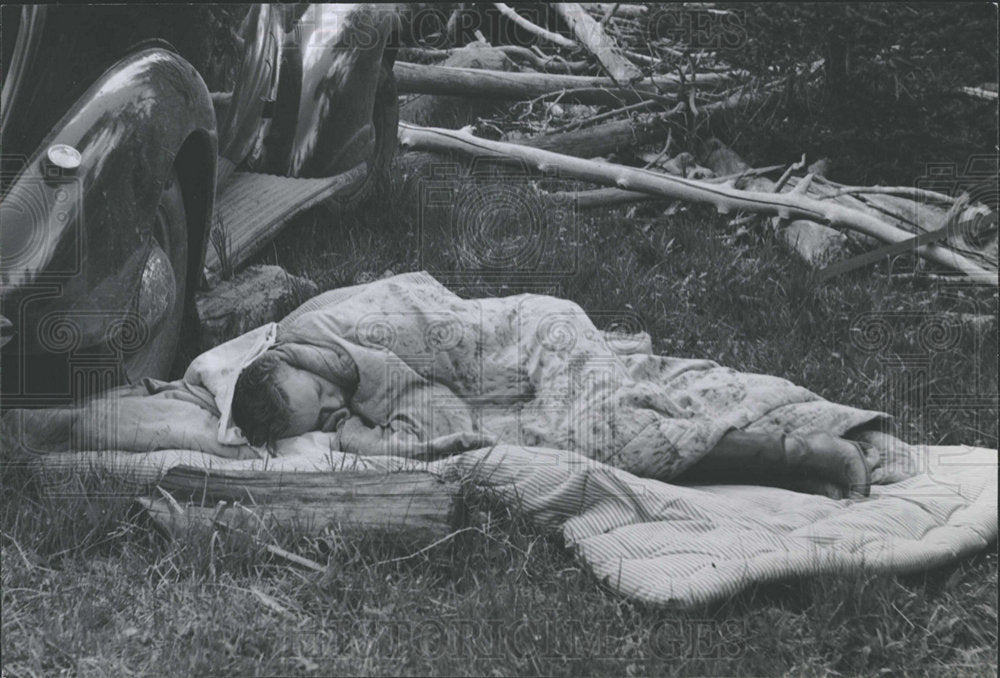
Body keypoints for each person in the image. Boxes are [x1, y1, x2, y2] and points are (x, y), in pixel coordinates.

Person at [232, 349, 875, 497]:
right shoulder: (342, 422)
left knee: (603, 436)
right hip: (502, 397)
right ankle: (792, 460)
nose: (331, 404)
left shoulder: (337, 333)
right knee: (600, 446)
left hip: (523, 340)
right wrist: (350, 431)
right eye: (321, 414)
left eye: (319, 390)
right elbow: (417, 436)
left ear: (299, 360)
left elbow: (430, 341)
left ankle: (798, 451)